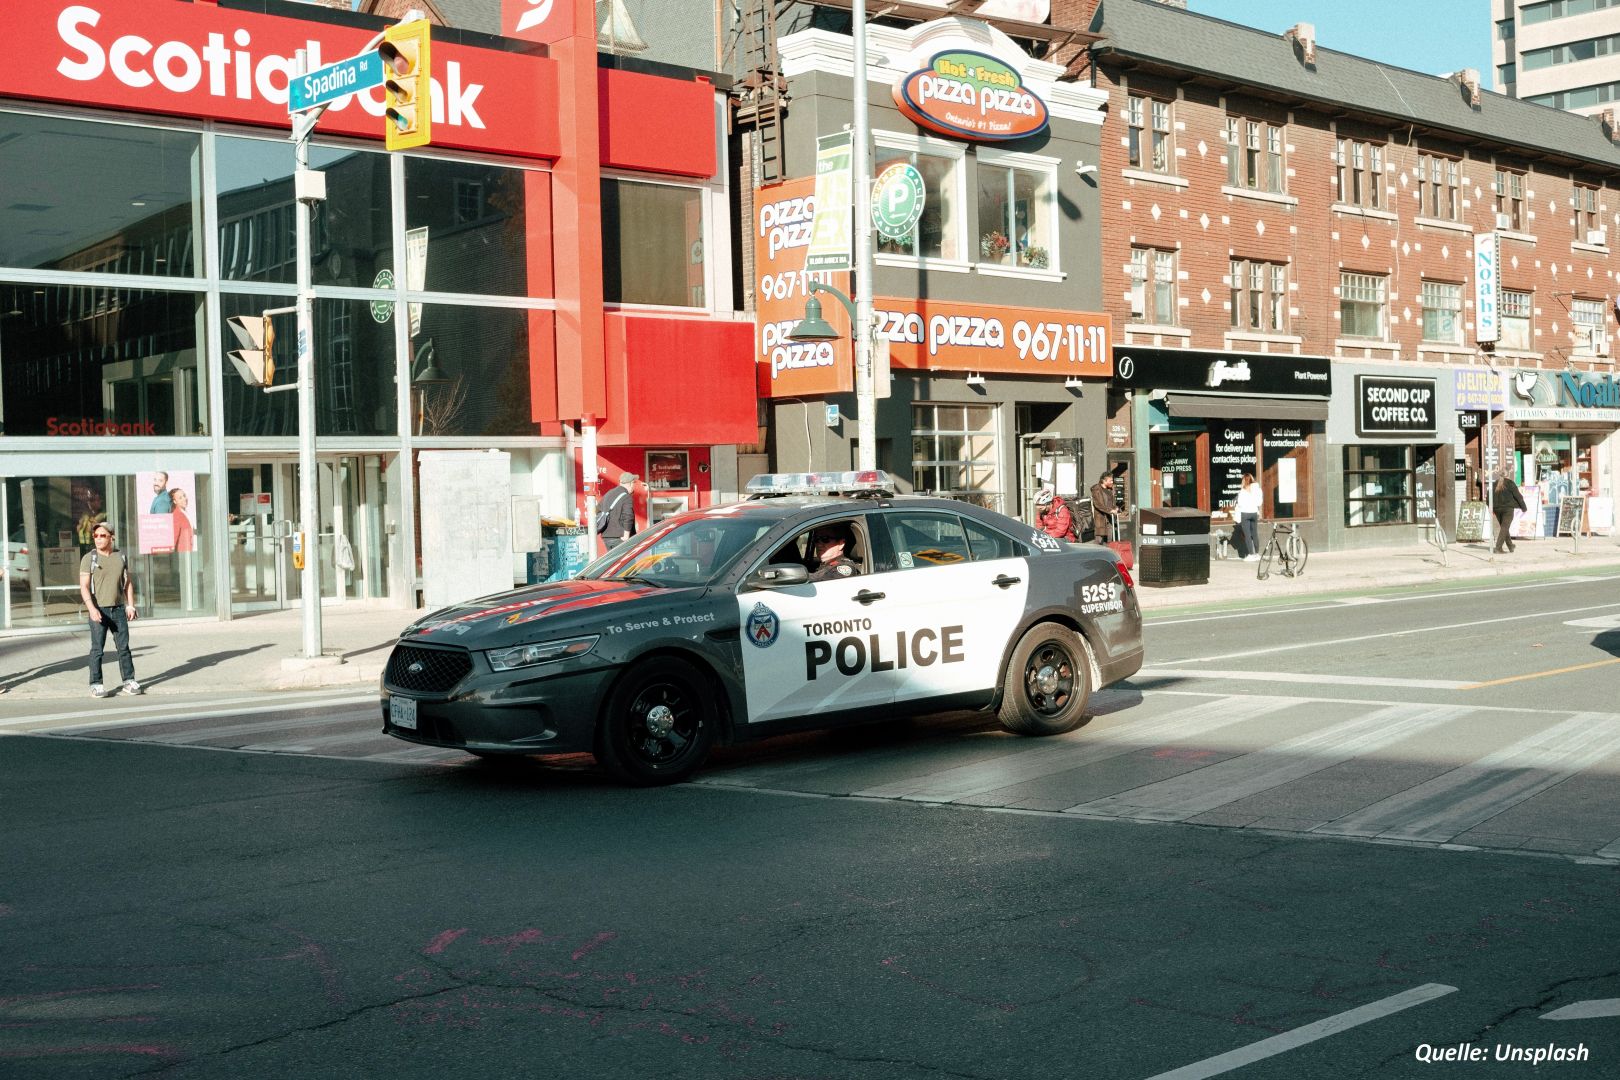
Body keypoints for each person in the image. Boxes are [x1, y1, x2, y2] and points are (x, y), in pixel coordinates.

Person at [79, 523, 142, 698]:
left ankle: (129, 681)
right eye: (96, 536)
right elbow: (83, 587)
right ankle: (96, 684)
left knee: (123, 648)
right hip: (98, 610)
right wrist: (91, 609)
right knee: (97, 649)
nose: (98, 539)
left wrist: (130, 605)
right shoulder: (89, 558)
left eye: (102, 535)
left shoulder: (120, 556)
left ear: (111, 537)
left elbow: (127, 582)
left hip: (118, 609)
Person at [596, 472, 639, 550]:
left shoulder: (609, 493)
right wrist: (626, 535)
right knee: (629, 561)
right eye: (634, 483)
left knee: (615, 561)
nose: (634, 486)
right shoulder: (626, 496)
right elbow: (628, 516)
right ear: (631, 483)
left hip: (607, 537)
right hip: (620, 537)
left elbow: (597, 510)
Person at [1491, 470, 1527, 555]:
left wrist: (1490, 506)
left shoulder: (1494, 483)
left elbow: (1489, 496)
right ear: (1508, 475)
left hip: (1496, 508)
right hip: (1507, 509)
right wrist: (1524, 507)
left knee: (1504, 527)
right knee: (1504, 527)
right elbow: (1518, 496)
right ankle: (1498, 548)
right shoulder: (1510, 483)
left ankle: (1510, 545)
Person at [1234, 472, 1263, 562]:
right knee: (1254, 533)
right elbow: (1259, 502)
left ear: (1244, 480)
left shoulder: (1242, 491)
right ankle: (1257, 554)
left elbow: (1240, 504)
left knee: (1247, 535)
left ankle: (1251, 554)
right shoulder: (1257, 489)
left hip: (1245, 514)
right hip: (1254, 513)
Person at [1090, 470, 1119, 545]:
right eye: (1110, 480)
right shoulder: (1096, 489)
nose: (1112, 482)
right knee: (1098, 541)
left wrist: (1116, 508)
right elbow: (1098, 505)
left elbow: (1112, 503)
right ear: (1104, 481)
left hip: (1110, 519)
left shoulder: (1110, 490)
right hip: (1101, 519)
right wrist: (1110, 511)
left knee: (1109, 542)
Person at [170, 488, 195, 554]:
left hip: (188, 552)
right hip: (182, 555)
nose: (184, 499)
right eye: (180, 498)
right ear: (175, 501)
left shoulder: (184, 513)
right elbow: (173, 539)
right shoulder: (176, 515)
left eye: (184, 495)